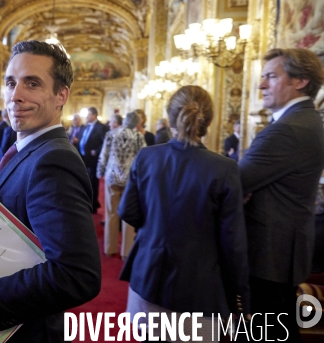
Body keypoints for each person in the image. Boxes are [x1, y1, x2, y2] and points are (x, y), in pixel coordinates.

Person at [0, 40, 101, 342]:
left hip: (19, 331)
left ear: (61, 95)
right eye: (11, 83)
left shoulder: (54, 159)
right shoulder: (27, 148)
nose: (15, 96)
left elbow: (77, 275)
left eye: (33, 83)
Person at [119, 85, 249, 340]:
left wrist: (157, 225)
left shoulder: (147, 156)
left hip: (148, 279)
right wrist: (241, 297)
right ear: (209, 121)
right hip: (201, 289)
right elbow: (233, 244)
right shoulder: (225, 168)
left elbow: (128, 211)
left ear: (169, 118)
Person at [239, 48, 324, 341]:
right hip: (282, 248)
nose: (261, 85)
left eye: (271, 77)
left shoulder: (288, 129)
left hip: (269, 252)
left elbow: (235, 181)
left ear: (300, 81)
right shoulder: (305, 121)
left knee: (269, 332)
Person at [97, 112, 145, 258]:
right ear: (137, 123)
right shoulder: (138, 137)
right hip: (130, 179)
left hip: (112, 176)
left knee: (111, 213)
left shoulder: (111, 134)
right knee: (128, 215)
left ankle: (109, 248)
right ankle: (127, 251)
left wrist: (100, 171)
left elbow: (104, 154)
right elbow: (142, 158)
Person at [80, 106, 108, 213]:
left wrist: (96, 151)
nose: (86, 117)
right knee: (86, 181)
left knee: (93, 182)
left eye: (88, 114)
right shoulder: (87, 126)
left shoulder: (101, 127)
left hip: (93, 159)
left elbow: (105, 142)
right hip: (84, 157)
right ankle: (87, 202)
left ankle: (93, 205)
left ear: (94, 115)